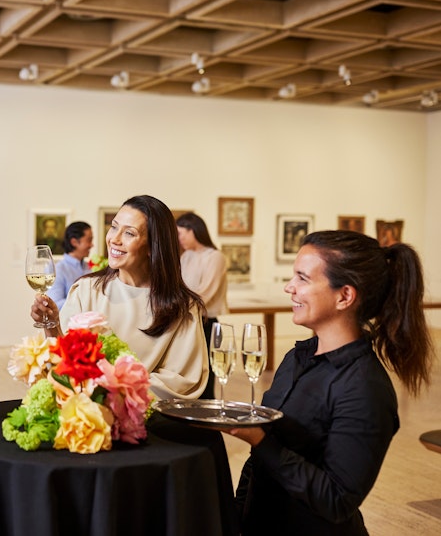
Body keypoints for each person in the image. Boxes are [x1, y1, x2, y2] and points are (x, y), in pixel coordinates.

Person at [228, 230, 434, 535]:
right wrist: (237, 516)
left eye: (302, 278)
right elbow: (260, 463)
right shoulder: (297, 358)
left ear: (345, 296)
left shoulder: (365, 387)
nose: (290, 287)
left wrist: (260, 439)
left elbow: (337, 500)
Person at [31, 195, 208, 400]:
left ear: (153, 246)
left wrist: (109, 394)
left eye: (129, 233)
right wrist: (51, 324)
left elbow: (180, 381)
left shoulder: (184, 307)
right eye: (114, 227)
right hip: (87, 413)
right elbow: (64, 363)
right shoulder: (86, 290)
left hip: (146, 422)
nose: (114, 239)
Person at [176, 212, 228, 399]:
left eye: (181, 234)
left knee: (206, 373)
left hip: (207, 323)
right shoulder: (186, 256)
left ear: (193, 231)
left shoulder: (215, 257)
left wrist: (176, 306)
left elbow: (206, 294)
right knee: (188, 372)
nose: (180, 239)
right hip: (186, 321)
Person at [46, 220, 93, 309]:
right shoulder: (57, 270)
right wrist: (86, 302)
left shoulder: (90, 267)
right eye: (89, 240)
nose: (92, 245)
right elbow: (55, 304)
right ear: (74, 242)